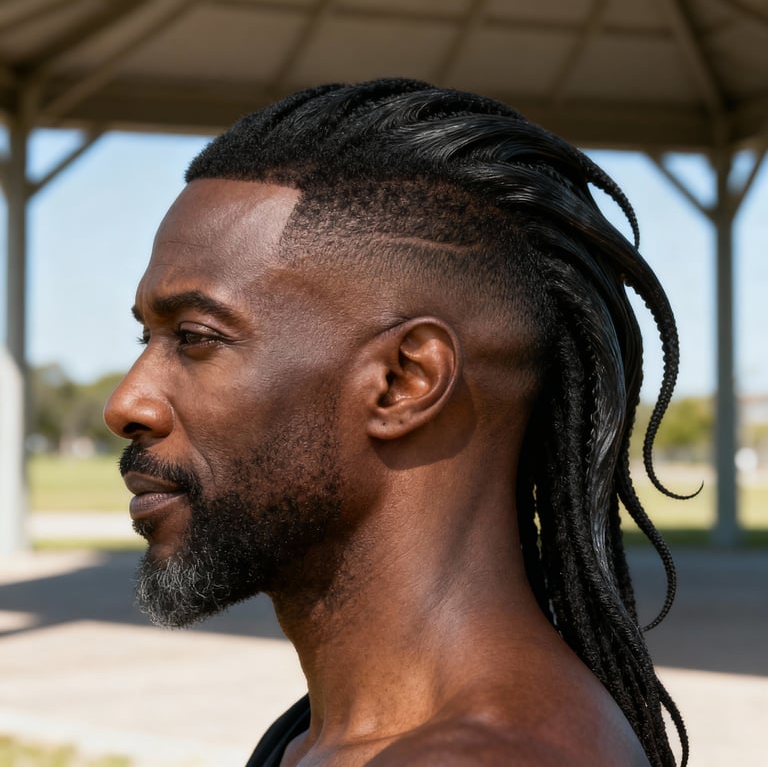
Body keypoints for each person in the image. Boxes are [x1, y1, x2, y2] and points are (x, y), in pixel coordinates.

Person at [104, 78, 688, 766]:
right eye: (147, 339)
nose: (128, 403)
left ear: (404, 382)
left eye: (196, 337)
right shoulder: (316, 742)